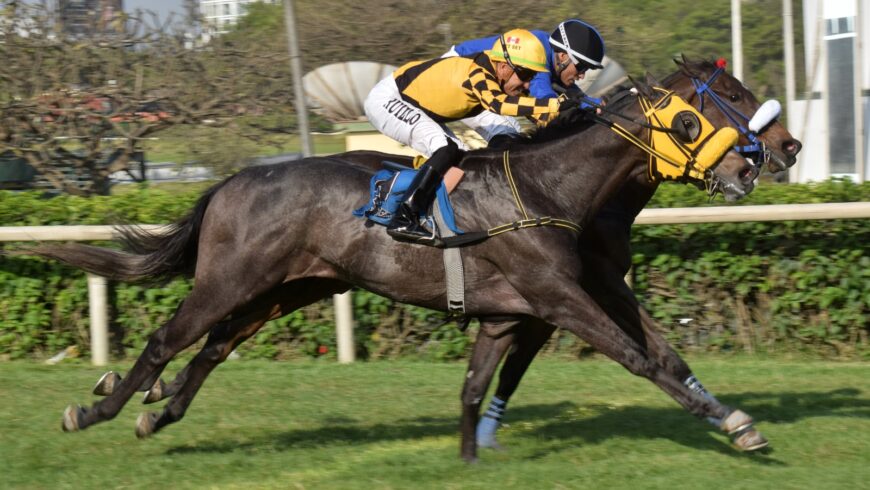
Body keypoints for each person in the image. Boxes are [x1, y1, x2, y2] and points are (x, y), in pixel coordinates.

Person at [364, 29, 577, 245]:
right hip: (388, 100)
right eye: (524, 76)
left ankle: (431, 212)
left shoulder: (498, 73)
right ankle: (402, 215)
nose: (527, 85)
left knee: (460, 161)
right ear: (503, 67)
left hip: (416, 104)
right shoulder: (477, 72)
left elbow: (529, 110)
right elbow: (500, 105)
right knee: (446, 149)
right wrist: (554, 104)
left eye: (531, 77)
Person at [444, 19, 606, 147]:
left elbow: (573, 95)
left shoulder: (551, 53)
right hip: (456, 72)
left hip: (467, 75)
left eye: (588, 69)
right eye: (581, 67)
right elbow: (544, 100)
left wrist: (594, 105)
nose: (582, 75)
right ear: (563, 56)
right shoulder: (539, 55)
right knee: (509, 134)